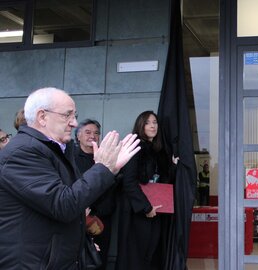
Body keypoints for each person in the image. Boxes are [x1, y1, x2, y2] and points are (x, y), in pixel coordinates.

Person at [0, 87, 140, 270]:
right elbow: (64, 205)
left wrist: (109, 169)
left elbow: (73, 202)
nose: (74, 123)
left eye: (75, 115)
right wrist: (103, 168)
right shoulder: (22, 152)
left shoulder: (56, 149)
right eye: (67, 115)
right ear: (42, 117)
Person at [116, 110, 173, 270]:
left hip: (154, 209)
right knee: (135, 256)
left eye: (155, 122)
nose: (152, 126)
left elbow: (162, 179)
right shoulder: (135, 147)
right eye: (148, 122)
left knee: (151, 253)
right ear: (141, 125)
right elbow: (129, 182)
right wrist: (145, 207)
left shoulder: (157, 150)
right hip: (137, 211)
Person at [74, 119, 116, 269]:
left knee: (100, 258)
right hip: (79, 215)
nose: (93, 136)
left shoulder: (104, 157)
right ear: (78, 136)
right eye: (88, 132)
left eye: (96, 133)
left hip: (104, 216)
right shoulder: (71, 157)